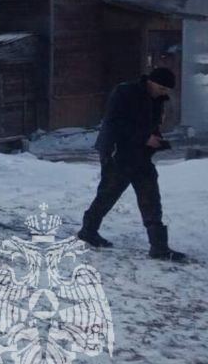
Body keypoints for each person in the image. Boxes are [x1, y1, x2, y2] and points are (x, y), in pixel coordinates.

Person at [78, 67, 186, 262]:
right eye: (161, 87)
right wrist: (145, 138)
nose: (163, 92)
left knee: (150, 196)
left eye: (166, 90)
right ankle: (88, 231)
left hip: (140, 155)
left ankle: (159, 247)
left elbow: (150, 125)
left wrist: (156, 140)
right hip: (117, 153)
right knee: (108, 194)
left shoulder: (157, 99)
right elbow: (114, 123)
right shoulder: (125, 92)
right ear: (150, 82)